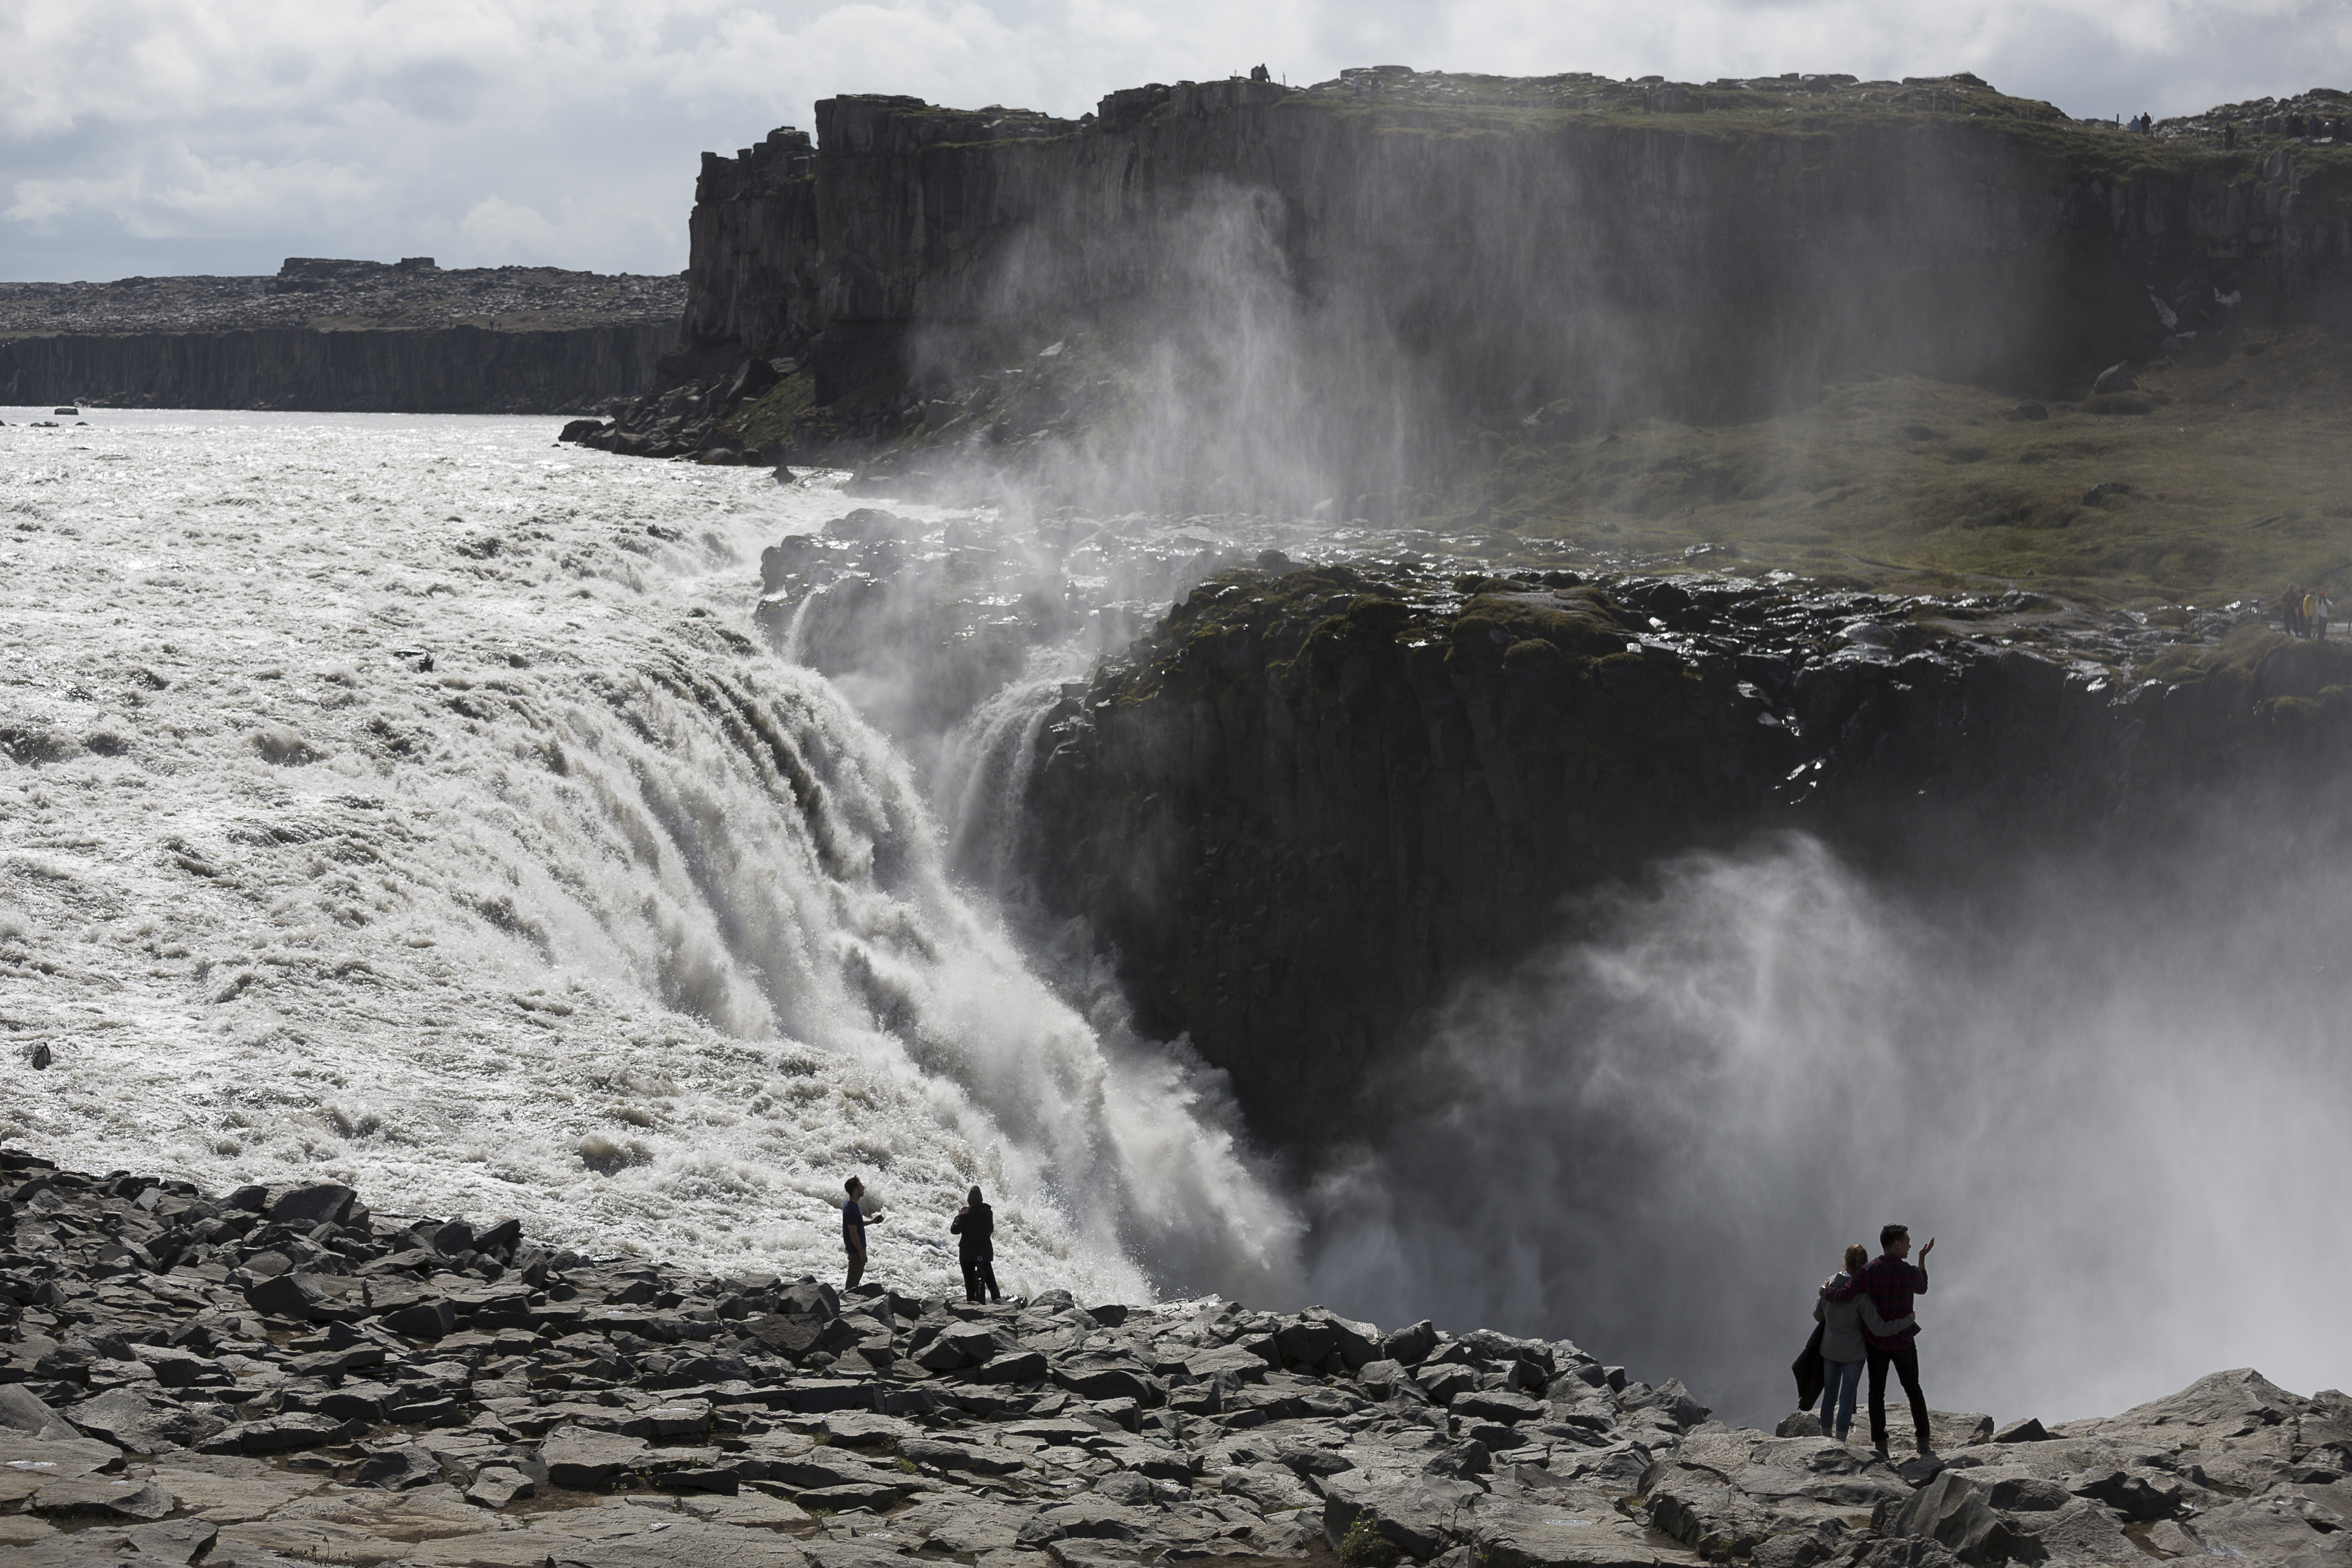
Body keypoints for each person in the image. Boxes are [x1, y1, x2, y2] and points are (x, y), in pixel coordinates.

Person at [1823, 1223, 1935, 1458]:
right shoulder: (1909, 1271)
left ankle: (1881, 1446)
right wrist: (1922, 1259)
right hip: (1904, 1341)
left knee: (1876, 1393)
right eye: (1907, 1241)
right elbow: (1923, 1288)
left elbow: (1844, 1295)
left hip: (1877, 1343)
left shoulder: (1869, 1270)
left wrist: (1825, 1291)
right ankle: (1923, 1441)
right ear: (1896, 1244)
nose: (1910, 1245)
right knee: (1913, 1389)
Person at [1816, 1243, 1914, 1443]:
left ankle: (1824, 1438)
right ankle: (1840, 1443)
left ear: (1845, 1261)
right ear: (1865, 1264)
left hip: (1830, 1349)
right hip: (1854, 1354)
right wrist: (1906, 1322)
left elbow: (1817, 1314)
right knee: (1846, 1399)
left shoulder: (1829, 1284)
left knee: (1829, 1395)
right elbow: (1879, 1328)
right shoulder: (1862, 1295)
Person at [949, 1184, 1004, 1304]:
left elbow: (954, 1230)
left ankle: (971, 1300)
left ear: (970, 1202)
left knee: (969, 1278)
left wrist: (959, 1216)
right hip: (985, 1251)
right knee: (989, 1275)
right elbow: (990, 1230)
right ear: (981, 1201)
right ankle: (997, 1298)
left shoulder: (966, 1215)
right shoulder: (988, 1214)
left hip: (968, 1254)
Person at [841, 1176, 883, 1288]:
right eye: (861, 1186)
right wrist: (861, 1252)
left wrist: (872, 1221)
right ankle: (847, 1304)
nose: (863, 1188)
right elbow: (853, 1233)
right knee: (852, 1283)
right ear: (856, 1191)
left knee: (855, 1280)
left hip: (857, 1249)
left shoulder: (852, 1204)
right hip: (856, 1251)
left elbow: (857, 1224)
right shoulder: (851, 1209)